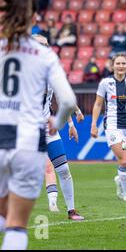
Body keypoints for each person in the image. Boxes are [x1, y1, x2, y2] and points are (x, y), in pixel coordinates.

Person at [0, 0, 76, 250]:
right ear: (34, 17)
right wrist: (59, 121)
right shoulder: (45, 55)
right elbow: (70, 101)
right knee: (16, 223)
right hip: (30, 138)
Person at [32, 34, 85, 220]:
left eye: (46, 45)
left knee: (63, 169)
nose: (45, 48)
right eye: (40, 45)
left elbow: (63, 97)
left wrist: (71, 122)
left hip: (48, 128)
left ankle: (71, 210)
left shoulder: (52, 71)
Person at [91, 54, 126, 201]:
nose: (120, 66)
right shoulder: (105, 83)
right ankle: (125, 193)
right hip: (112, 126)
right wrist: (93, 124)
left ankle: (121, 178)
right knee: (124, 160)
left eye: (123, 63)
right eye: (118, 63)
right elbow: (98, 104)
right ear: (113, 66)